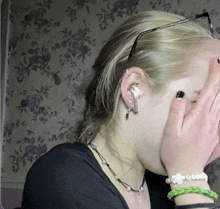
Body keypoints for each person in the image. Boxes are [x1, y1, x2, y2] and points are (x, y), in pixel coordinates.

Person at [21, 11, 220, 209]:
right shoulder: (60, 176)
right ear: (133, 89)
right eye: (199, 101)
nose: (209, 125)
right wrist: (190, 179)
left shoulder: (163, 187)